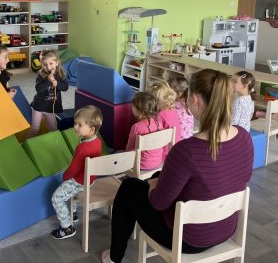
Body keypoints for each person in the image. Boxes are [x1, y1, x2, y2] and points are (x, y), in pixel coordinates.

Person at [101, 69, 254, 263]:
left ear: (195, 99)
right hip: (225, 228)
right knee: (158, 174)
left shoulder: (186, 150)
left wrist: (153, 186)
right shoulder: (244, 137)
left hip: (187, 238)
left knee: (129, 187)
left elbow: (158, 203)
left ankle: (114, 257)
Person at [51, 105, 103, 239]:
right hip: (90, 180)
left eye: (79, 125)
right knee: (70, 191)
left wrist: (65, 176)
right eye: (75, 123)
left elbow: (73, 169)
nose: (75, 127)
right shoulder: (98, 141)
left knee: (56, 198)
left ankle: (66, 228)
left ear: (92, 129)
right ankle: (73, 213)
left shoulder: (83, 148)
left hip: (79, 182)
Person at [26, 50, 68, 138]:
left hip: (50, 108)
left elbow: (65, 88)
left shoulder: (61, 74)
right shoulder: (41, 75)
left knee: (53, 129)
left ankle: (55, 143)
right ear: (42, 65)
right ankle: (25, 143)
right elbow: (38, 89)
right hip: (38, 107)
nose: (48, 67)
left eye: (51, 63)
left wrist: (57, 84)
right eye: (45, 64)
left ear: (57, 63)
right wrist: (48, 81)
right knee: (34, 129)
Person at [126, 91, 166, 170]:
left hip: (141, 165)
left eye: (133, 106)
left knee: (118, 153)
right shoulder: (159, 124)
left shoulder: (136, 127)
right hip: (158, 162)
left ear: (140, 110)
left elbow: (129, 150)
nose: (131, 108)